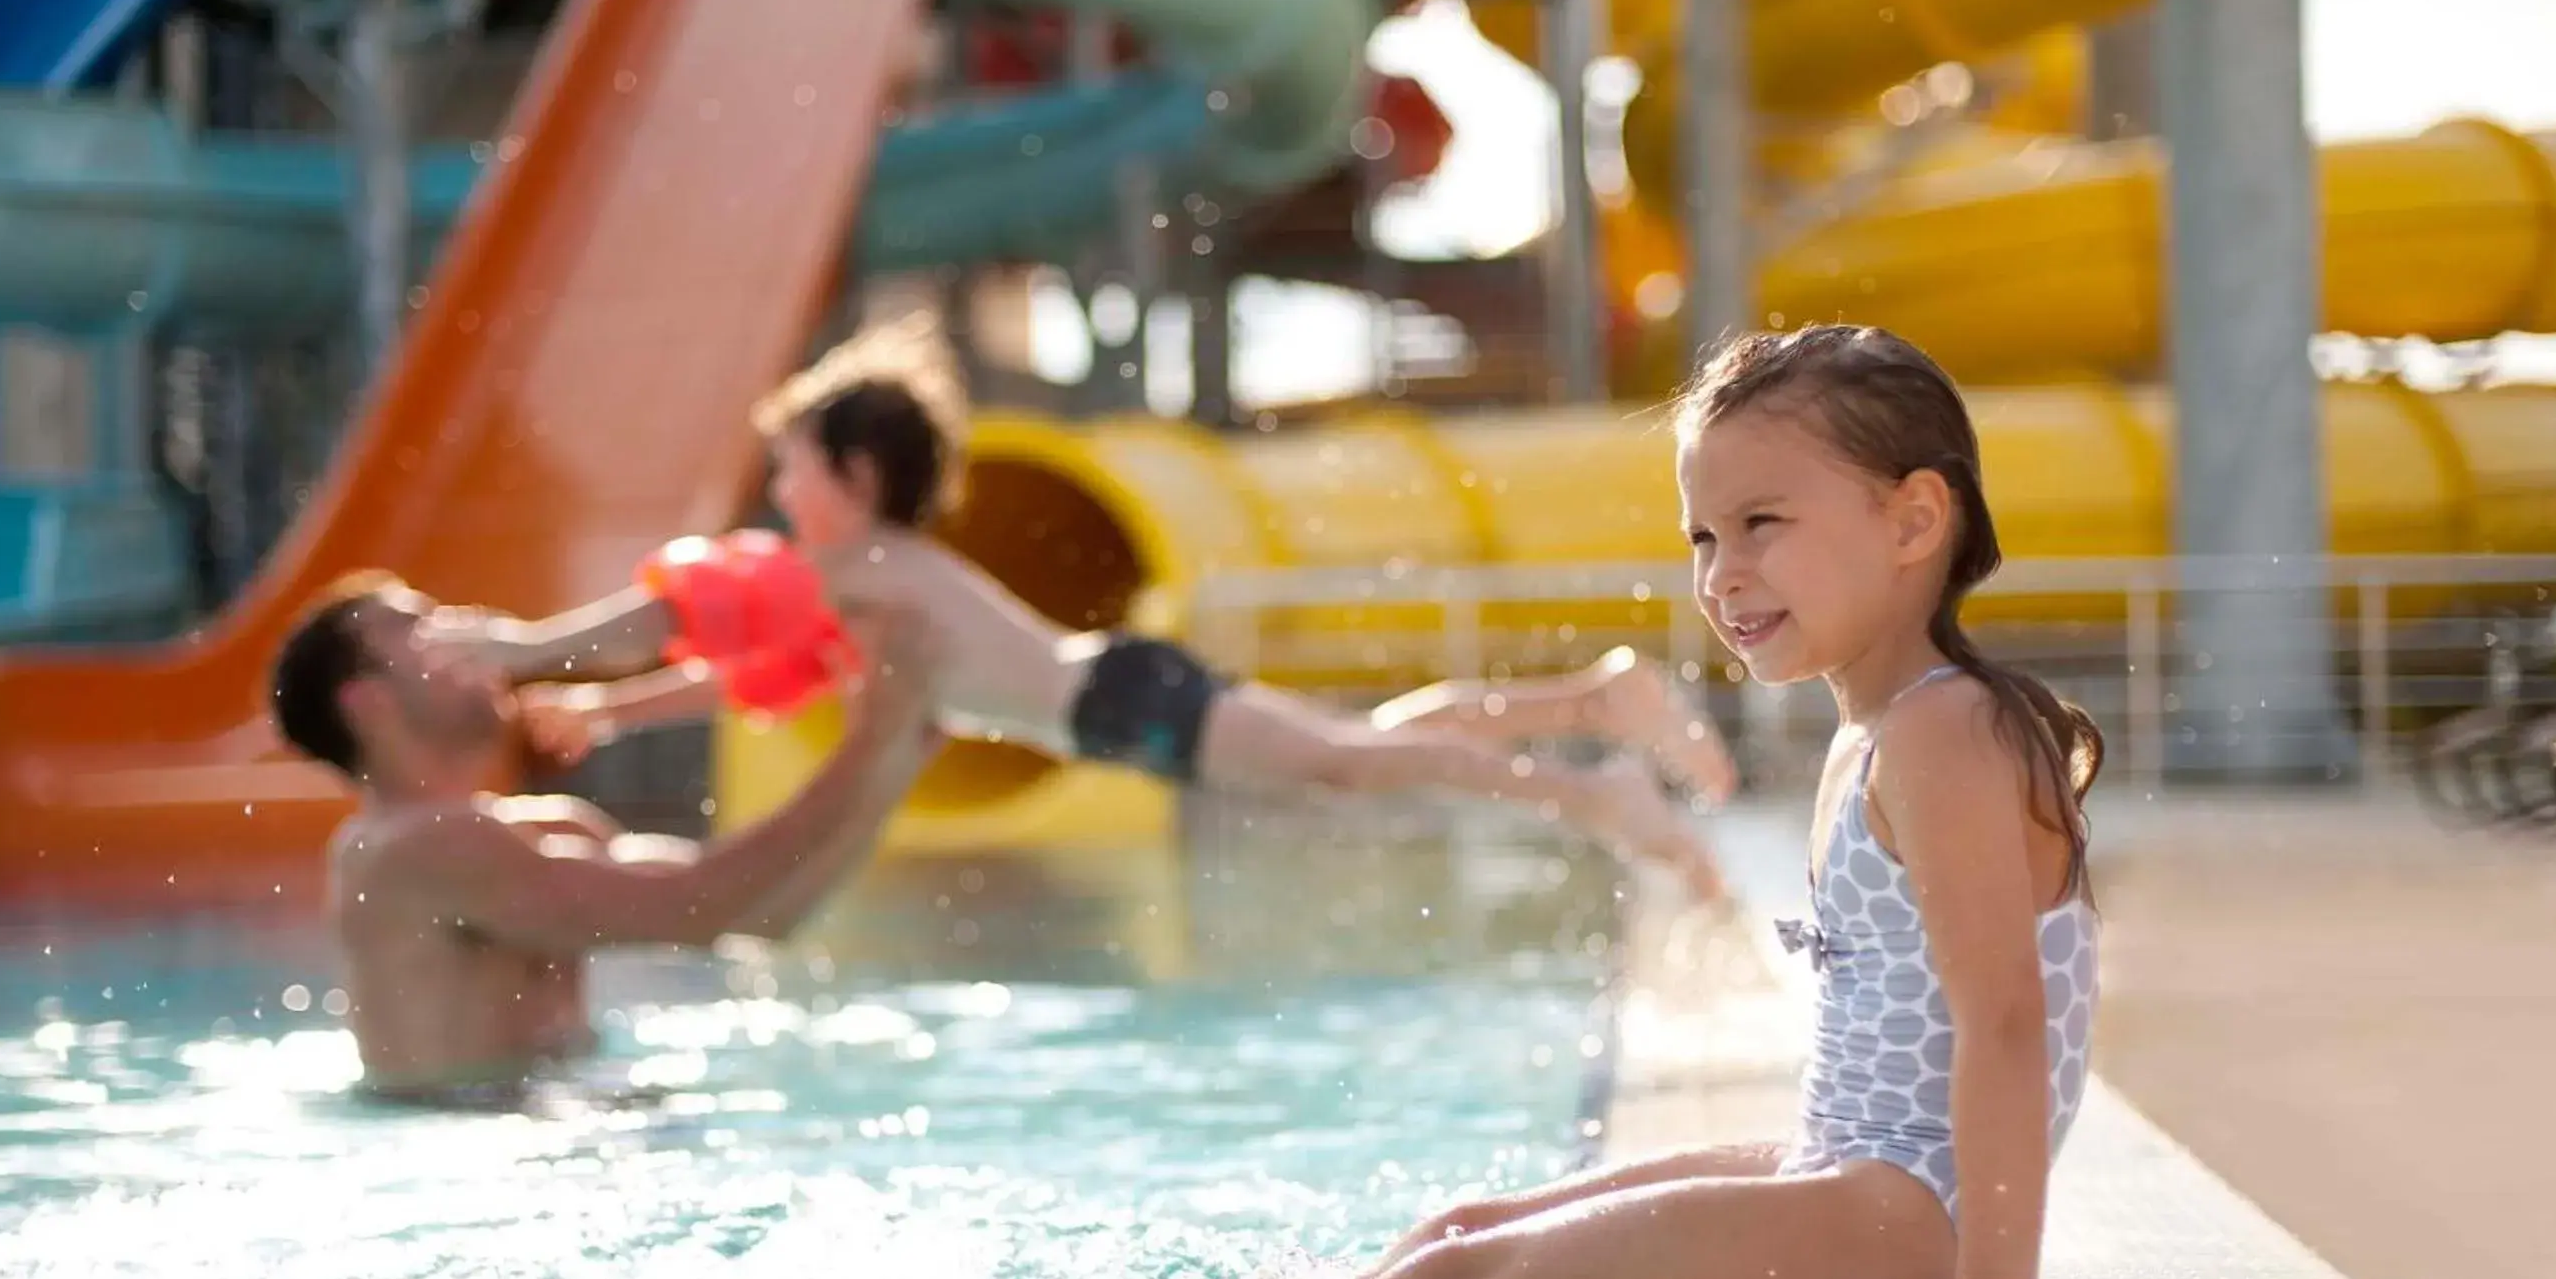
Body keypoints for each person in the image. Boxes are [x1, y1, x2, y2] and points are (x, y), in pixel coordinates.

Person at [1207, 325, 2105, 1279]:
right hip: (1859, 1175)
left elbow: (2004, 1021)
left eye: (1760, 524)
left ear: (1912, 520)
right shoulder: (1877, 735)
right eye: (1703, 540)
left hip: (1913, 1216)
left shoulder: (1939, 734)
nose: (1724, 576)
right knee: (1453, 1236)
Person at [423, 317, 1734, 887]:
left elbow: (686, 610)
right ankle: (1596, 702)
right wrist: (604, 712)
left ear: (855, 477)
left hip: (1120, 701)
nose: (775, 486)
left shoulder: (855, 565)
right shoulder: (857, 589)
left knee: (1354, 764)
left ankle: (1595, 792)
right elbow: (738, 666)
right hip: (1123, 697)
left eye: (792, 465)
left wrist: (531, 650)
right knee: (1361, 749)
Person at [265, 572, 943, 1097]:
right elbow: (704, 906)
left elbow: (765, 911)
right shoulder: (408, 850)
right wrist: (875, 735)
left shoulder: (542, 830)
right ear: (367, 702)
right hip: (468, 1159)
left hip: (548, 1133)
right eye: (419, 628)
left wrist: (893, 759)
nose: (462, 627)